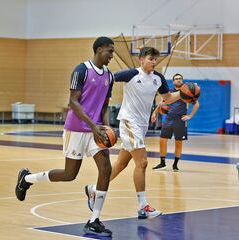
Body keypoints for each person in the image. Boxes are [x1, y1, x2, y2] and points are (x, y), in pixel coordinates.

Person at [15, 37, 115, 237]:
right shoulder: (81, 70)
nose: (112, 55)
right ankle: (27, 179)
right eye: (109, 51)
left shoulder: (109, 76)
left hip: (95, 131)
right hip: (77, 129)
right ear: (99, 50)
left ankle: (94, 220)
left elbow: (104, 105)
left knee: (106, 168)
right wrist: (93, 125)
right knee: (69, 175)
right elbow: (73, 102)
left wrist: (105, 126)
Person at [85, 47, 189, 220]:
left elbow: (168, 98)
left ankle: (94, 189)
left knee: (120, 164)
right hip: (129, 122)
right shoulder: (131, 74)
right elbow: (108, 78)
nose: (154, 62)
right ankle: (143, 207)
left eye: (156, 59)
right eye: (150, 59)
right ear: (141, 59)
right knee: (142, 163)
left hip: (142, 126)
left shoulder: (158, 78)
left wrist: (185, 93)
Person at [151, 73, 200, 171]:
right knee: (162, 141)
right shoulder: (169, 93)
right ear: (173, 82)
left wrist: (189, 116)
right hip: (169, 119)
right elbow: (161, 103)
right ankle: (162, 163)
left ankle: (175, 165)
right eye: (176, 79)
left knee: (178, 143)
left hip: (180, 120)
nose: (178, 80)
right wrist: (154, 113)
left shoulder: (187, 92)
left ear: (182, 80)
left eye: (180, 78)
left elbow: (196, 104)